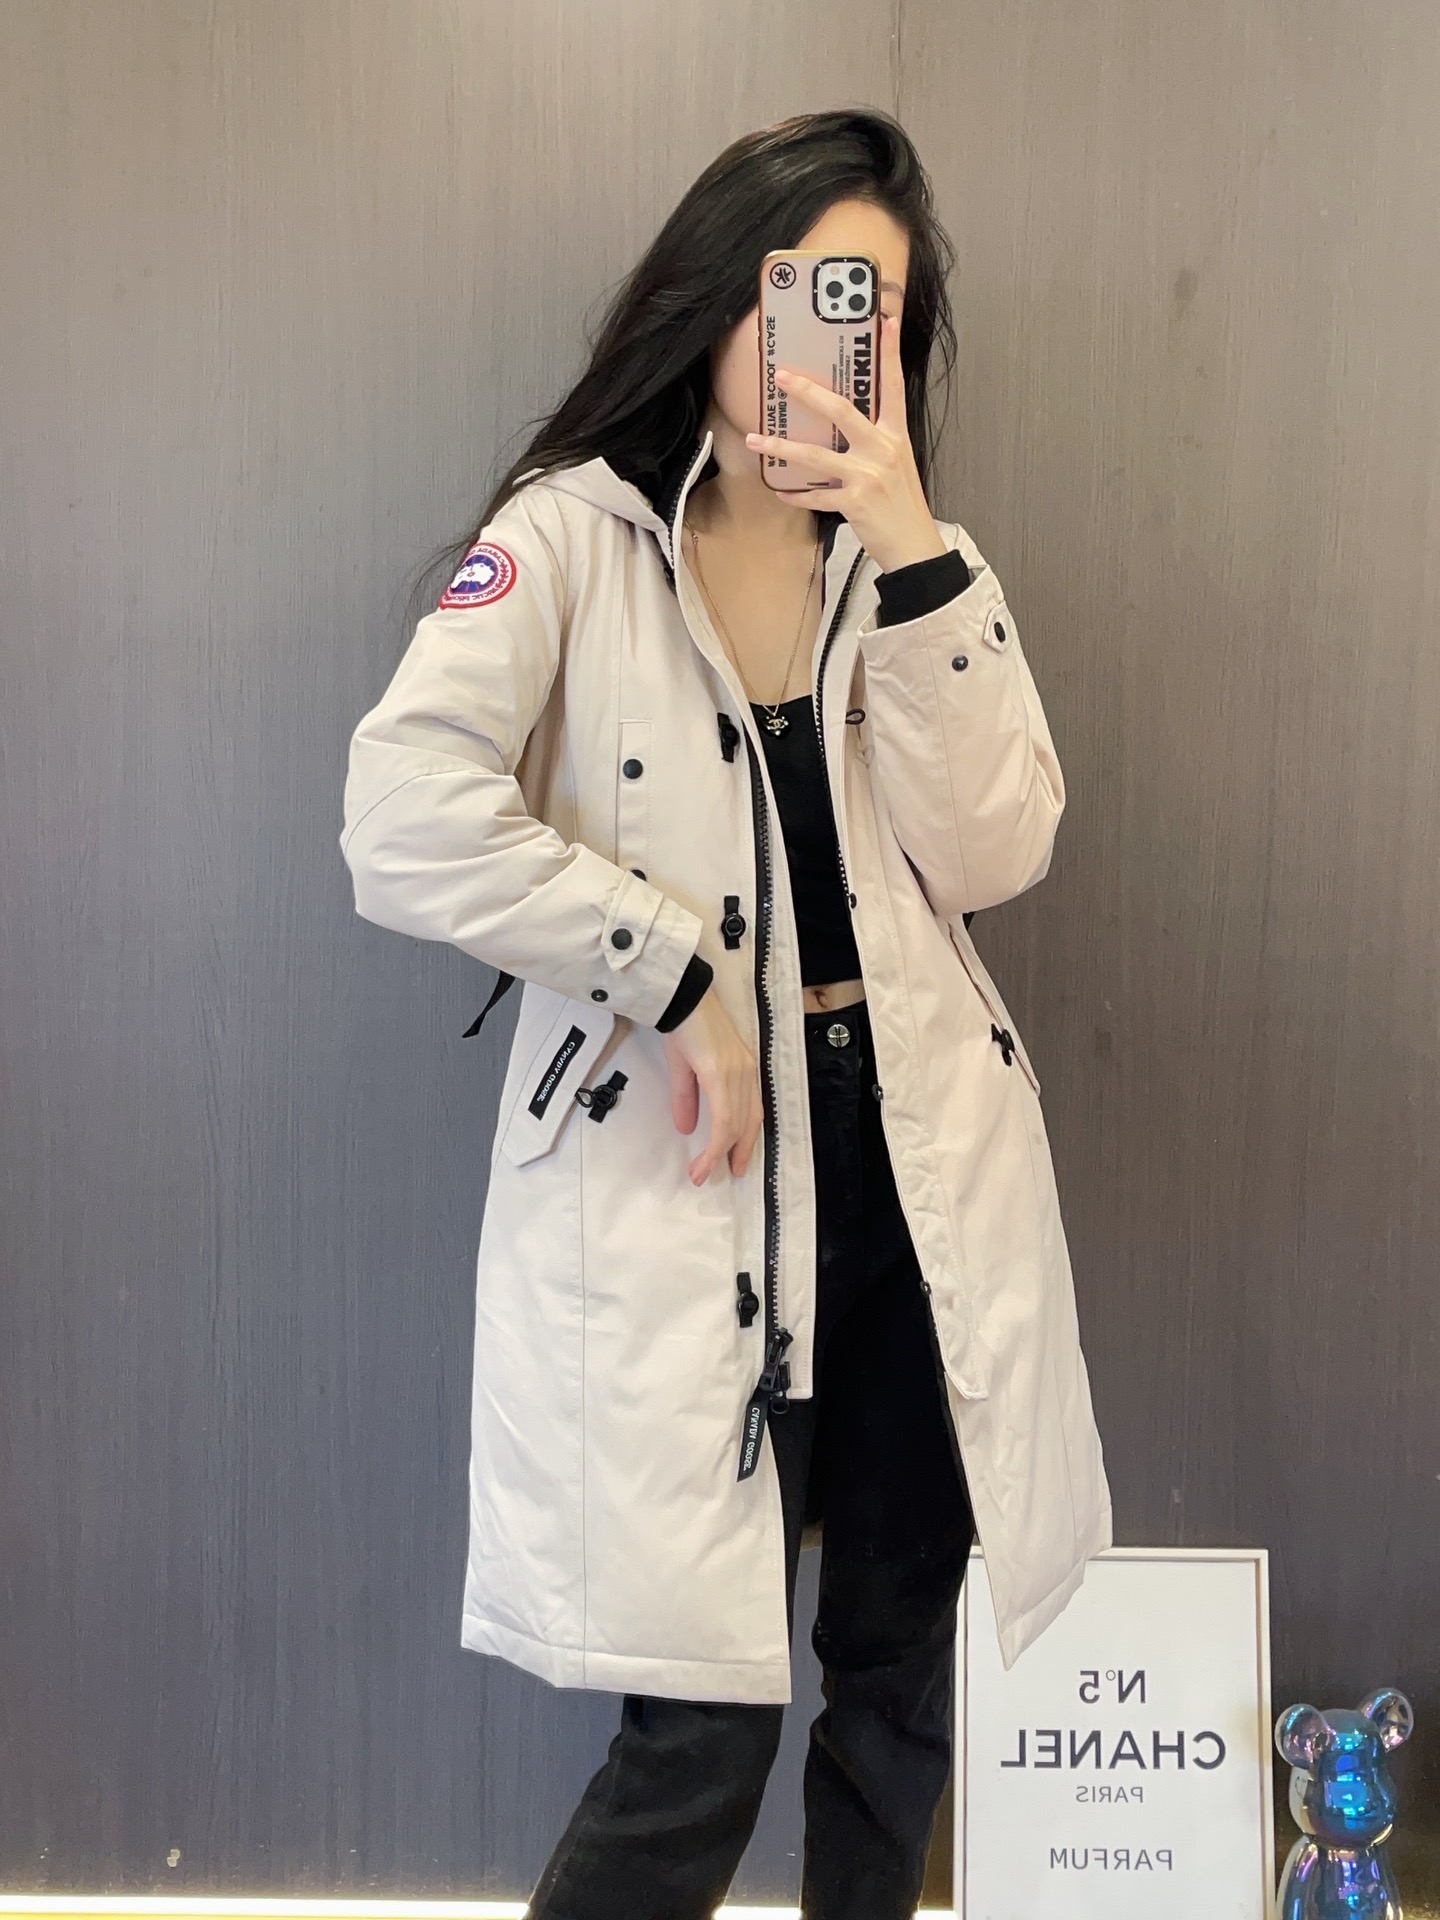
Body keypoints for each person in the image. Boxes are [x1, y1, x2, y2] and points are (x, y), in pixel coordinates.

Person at [341, 107, 1111, 1920]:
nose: (824, 342)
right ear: (715, 298)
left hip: (918, 1178)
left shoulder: (915, 567)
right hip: (696, 1181)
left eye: (872, 312)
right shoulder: (573, 539)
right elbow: (400, 813)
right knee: (698, 1739)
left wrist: (912, 545)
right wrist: (666, 962)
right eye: (798, 292)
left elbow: (998, 850)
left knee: (896, 1690)